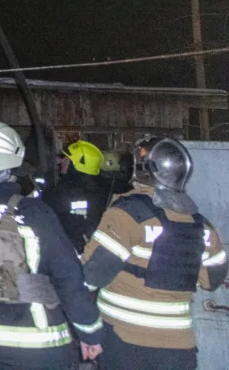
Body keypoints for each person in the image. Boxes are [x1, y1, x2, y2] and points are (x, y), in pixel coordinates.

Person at [0, 119, 104, 370]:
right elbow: (68, 278)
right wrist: (89, 332)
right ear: (11, 165)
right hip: (42, 348)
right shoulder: (34, 214)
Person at [82, 136, 228, 370]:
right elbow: (213, 280)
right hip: (179, 349)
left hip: (124, 343)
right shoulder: (201, 226)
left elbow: (91, 276)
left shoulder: (126, 215)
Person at [41, 140, 108, 253]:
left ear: (76, 164)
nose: (61, 162)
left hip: (68, 253)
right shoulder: (101, 190)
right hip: (93, 253)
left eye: (66, 159)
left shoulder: (63, 193)